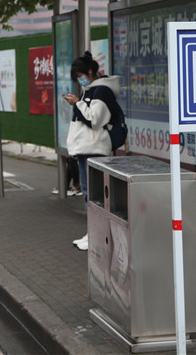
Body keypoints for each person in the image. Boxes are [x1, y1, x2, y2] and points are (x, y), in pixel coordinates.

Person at [63, 51, 121, 251]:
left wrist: (76, 103)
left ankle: (97, 234)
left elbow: (95, 120)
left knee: (94, 193)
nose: (79, 80)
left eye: (80, 75)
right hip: (87, 148)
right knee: (90, 193)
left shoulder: (102, 91)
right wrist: (78, 102)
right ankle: (93, 232)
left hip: (94, 148)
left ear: (89, 72)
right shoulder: (91, 90)